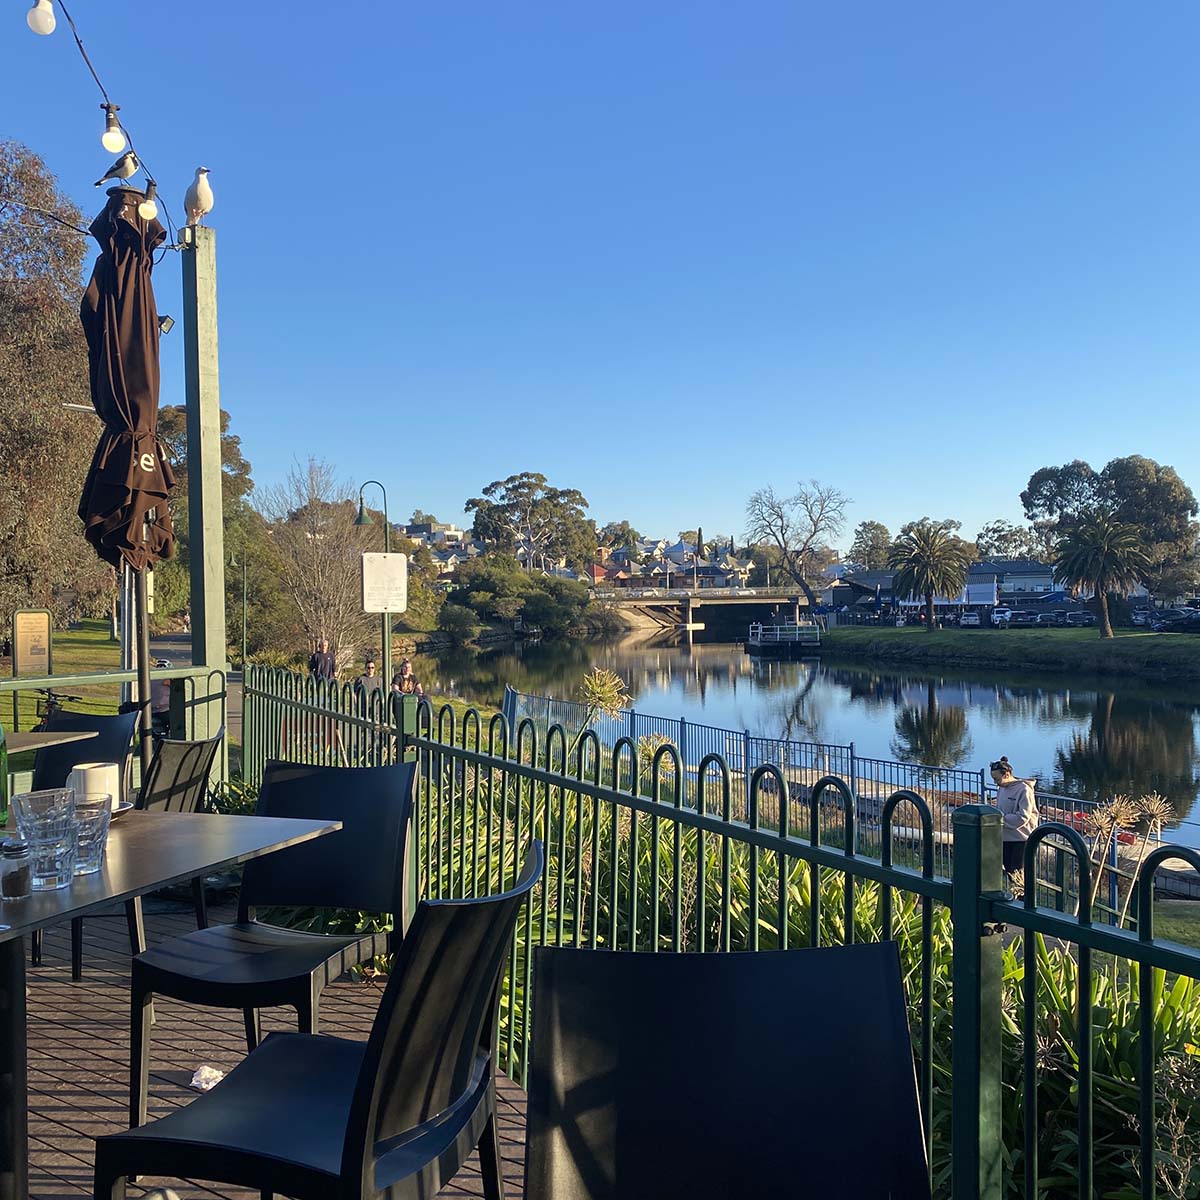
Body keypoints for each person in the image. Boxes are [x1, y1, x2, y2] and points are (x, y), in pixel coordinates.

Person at [989, 756, 1039, 874]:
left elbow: (1023, 817)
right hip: (1005, 837)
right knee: (1009, 872)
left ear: (1006, 774)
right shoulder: (1001, 789)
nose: (995, 783)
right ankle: (1012, 892)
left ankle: (1022, 893)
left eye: (997, 779)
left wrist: (1000, 819)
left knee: (1018, 874)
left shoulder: (1024, 790)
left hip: (1022, 839)